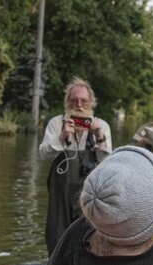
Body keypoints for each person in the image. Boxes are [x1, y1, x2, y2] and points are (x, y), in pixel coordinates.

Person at [39, 78, 113, 255]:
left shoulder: (101, 125)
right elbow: (43, 154)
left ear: (91, 103)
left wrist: (99, 137)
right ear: (67, 102)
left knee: (88, 232)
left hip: (89, 190)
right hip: (60, 191)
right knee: (56, 233)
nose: (79, 105)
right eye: (74, 101)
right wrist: (61, 138)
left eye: (84, 101)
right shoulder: (56, 123)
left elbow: (108, 163)